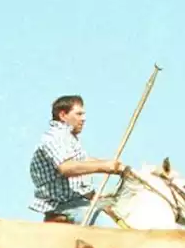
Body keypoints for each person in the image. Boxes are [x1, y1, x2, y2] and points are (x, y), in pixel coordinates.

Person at [28, 95, 130, 223]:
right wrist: (104, 167)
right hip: (65, 207)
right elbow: (66, 167)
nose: (84, 119)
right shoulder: (55, 136)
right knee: (110, 227)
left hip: (78, 203)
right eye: (79, 114)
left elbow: (83, 161)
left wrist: (117, 167)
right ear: (63, 115)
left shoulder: (68, 138)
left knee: (120, 212)